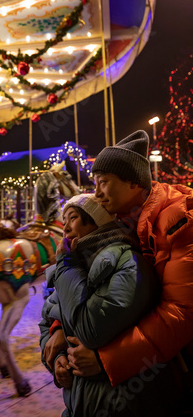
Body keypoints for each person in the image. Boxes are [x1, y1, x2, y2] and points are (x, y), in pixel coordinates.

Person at [43, 130, 193, 415]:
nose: (97, 193)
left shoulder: (179, 222)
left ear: (134, 182)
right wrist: (60, 327)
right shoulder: (119, 225)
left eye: (104, 183)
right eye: (95, 183)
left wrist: (106, 359)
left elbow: (181, 314)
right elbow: (84, 291)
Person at [39, 192, 162, 416]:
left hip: (119, 403)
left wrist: (66, 263)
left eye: (72, 218)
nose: (64, 228)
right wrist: (58, 358)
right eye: (63, 220)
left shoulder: (128, 262)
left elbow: (90, 330)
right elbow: (47, 320)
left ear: (96, 221)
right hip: (79, 403)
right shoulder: (76, 265)